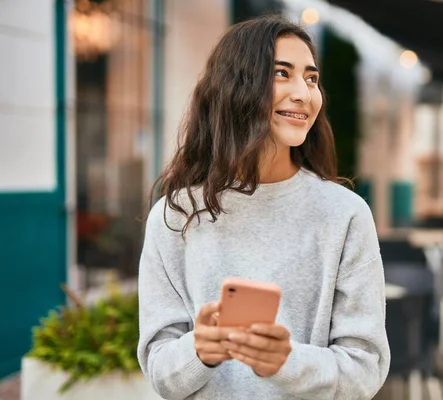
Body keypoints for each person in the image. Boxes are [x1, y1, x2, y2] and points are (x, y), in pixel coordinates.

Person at [137, 15, 390, 400]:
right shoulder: (175, 217)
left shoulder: (344, 214)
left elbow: (365, 367)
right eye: (281, 74)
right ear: (236, 87)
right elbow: (159, 368)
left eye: (311, 78)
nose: (304, 94)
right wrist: (198, 350)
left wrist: (286, 362)